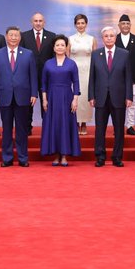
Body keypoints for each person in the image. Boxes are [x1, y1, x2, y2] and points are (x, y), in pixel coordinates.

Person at [0, 26, 38, 167]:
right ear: (6, 36)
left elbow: (33, 76)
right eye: (11, 35)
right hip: (4, 96)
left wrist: (34, 93)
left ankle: (23, 158)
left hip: (23, 96)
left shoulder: (28, 54)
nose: (13, 38)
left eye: (16, 35)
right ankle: (7, 158)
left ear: (20, 37)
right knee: (6, 129)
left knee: (22, 130)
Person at [89, 27, 133, 167]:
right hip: (100, 97)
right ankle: (100, 156)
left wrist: (129, 96)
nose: (109, 38)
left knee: (119, 129)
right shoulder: (96, 54)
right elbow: (92, 77)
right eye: (106, 36)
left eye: (111, 36)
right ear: (102, 38)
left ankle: (117, 157)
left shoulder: (124, 54)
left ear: (115, 38)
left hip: (119, 97)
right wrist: (91, 96)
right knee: (99, 129)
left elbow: (128, 77)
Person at [40, 35, 81, 166]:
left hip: (67, 97)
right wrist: (44, 100)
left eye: (62, 45)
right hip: (51, 98)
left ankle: (64, 156)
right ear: (53, 47)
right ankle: (56, 155)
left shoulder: (71, 63)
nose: (60, 47)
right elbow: (44, 83)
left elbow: (76, 82)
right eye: (57, 45)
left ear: (66, 47)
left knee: (65, 124)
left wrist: (75, 100)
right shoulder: (48, 63)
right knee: (54, 124)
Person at [26, 12, 57, 135]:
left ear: (44, 22)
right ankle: (27, 127)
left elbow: (54, 57)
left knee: (47, 103)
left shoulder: (51, 36)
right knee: (28, 103)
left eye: (40, 21)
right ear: (31, 22)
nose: (38, 23)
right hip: (29, 77)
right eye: (35, 21)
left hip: (47, 77)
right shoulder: (24, 36)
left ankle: (48, 128)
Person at [115, 14, 135, 136]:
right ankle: (118, 127)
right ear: (119, 25)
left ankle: (130, 125)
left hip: (131, 77)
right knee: (117, 102)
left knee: (132, 102)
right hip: (117, 77)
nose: (125, 25)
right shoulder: (114, 39)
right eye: (123, 23)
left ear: (130, 25)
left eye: (127, 23)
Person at [69, 14, 95, 135]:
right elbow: (67, 57)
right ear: (75, 25)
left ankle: (84, 123)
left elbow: (95, 58)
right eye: (78, 23)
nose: (80, 25)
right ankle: (74, 121)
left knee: (85, 97)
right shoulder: (69, 39)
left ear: (86, 24)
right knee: (74, 96)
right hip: (73, 70)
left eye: (82, 23)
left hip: (88, 71)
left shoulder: (91, 39)